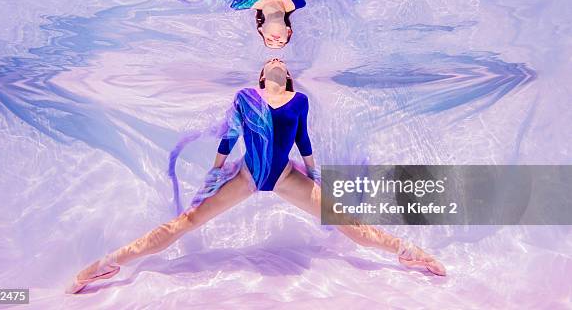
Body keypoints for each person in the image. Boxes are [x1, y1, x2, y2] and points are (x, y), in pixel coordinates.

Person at [66, 58, 446, 294]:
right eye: (269, 60)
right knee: (186, 222)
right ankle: (109, 262)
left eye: (283, 60)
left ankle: (411, 254)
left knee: (349, 224)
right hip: (247, 175)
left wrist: (314, 175)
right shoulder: (246, 96)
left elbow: (303, 138)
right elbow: (230, 136)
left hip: (283, 176)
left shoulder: (299, 101)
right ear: (262, 74)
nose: (277, 57)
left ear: (288, 75)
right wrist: (215, 173)